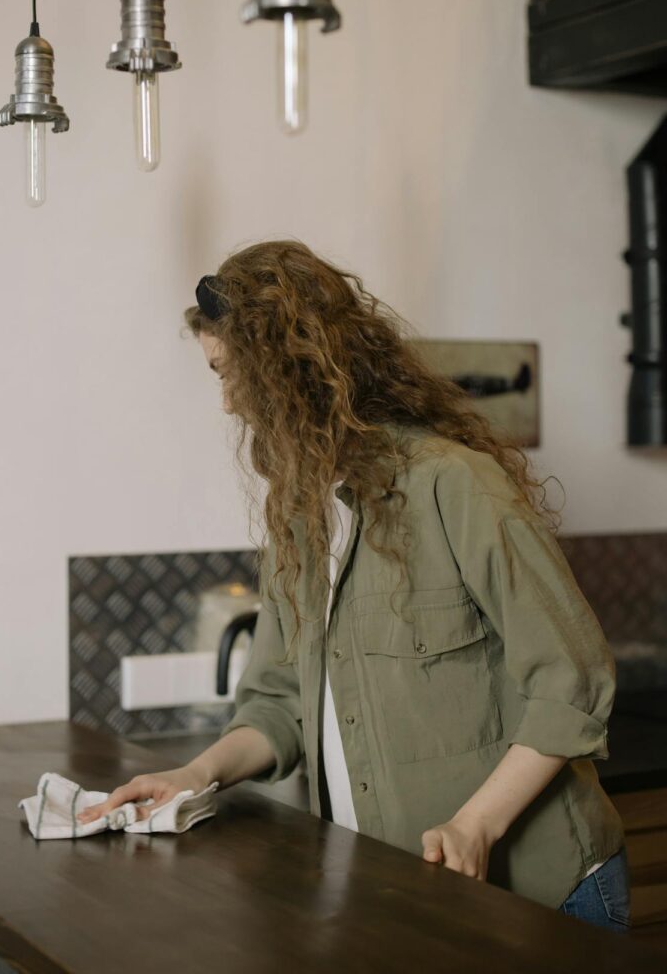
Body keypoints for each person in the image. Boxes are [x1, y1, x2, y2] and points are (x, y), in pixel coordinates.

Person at [78, 239, 631, 933]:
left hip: (539, 892)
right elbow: (280, 699)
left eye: (228, 373)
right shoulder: (299, 519)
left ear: (286, 369)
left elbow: (573, 680)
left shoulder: (452, 483)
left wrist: (476, 826)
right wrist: (196, 776)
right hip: (401, 896)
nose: (225, 404)